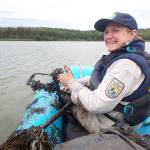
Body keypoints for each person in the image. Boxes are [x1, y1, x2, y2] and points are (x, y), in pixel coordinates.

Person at [58, 12, 150, 134]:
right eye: (106, 32)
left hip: (112, 125)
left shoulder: (126, 66)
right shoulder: (128, 54)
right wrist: (75, 83)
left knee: (67, 100)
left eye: (115, 30)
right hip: (125, 113)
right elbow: (100, 78)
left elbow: (96, 105)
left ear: (131, 35)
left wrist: (71, 83)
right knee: (76, 89)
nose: (108, 36)